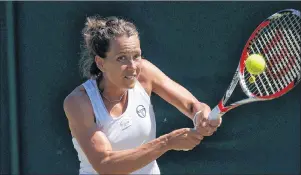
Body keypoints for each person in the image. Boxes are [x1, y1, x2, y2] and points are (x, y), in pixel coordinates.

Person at [63, 15, 222, 175]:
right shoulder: (79, 102)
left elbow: (192, 105)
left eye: (136, 56)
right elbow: (106, 164)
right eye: (121, 58)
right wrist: (167, 142)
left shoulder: (145, 73)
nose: (133, 67)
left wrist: (202, 116)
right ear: (101, 63)